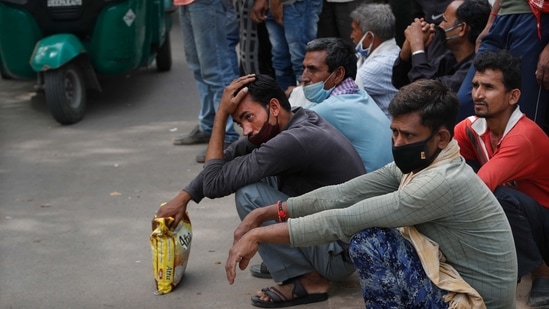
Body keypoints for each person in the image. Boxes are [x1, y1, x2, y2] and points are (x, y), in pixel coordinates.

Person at [226, 79, 518, 308]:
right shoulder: (422, 163)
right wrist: (270, 211)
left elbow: (344, 220)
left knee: (370, 240)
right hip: (454, 279)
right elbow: (342, 194)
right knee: (372, 234)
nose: (398, 142)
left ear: (441, 138)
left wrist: (260, 234)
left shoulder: (440, 181)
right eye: (395, 132)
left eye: (408, 136)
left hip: (475, 301)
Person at [157, 74, 365, 306]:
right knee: (258, 178)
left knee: (249, 193)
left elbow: (214, 183)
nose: (246, 130)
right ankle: (295, 259)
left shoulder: (292, 141)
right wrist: (184, 196)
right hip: (338, 237)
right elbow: (229, 156)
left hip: (339, 254)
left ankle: (308, 279)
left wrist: (221, 116)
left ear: (274, 107)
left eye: (248, 117)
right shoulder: (294, 118)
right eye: (239, 123)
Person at [454, 49, 549, 308]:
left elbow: (479, 189)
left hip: (544, 220)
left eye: (488, 87)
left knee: (493, 196)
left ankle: (542, 271)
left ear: (513, 96)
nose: (477, 94)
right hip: (524, 218)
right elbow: (443, 164)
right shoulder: (470, 127)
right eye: (475, 85)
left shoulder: (523, 136)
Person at [300, 38, 393, 172]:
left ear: (338, 74)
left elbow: (284, 122)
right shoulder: (359, 95)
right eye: (304, 68)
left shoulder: (332, 108)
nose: (304, 77)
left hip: (371, 189)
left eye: (312, 69)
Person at [456, 0, 549, 133]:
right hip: (501, 18)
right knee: (466, 102)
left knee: (522, 115)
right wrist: (490, 22)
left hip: (537, 21)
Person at [172, 0, 241, 164]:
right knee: (198, 67)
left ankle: (227, 135)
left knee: (216, 69)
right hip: (186, 3)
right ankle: (209, 126)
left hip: (206, 3)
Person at [392, 0, 490, 93]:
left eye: (444, 21)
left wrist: (417, 47)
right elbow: (401, 82)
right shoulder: (449, 58)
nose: (439, 26)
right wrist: (408, 48)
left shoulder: (474, 69)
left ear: (462, 28)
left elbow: (425, 92)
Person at [250, 0, 323, 92]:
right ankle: (286, 102)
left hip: (297, 4)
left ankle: (305, 101)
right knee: (281, 61)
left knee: (302, 61)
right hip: (275, 5)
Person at [350, 3, 400, 118]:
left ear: (369, 37)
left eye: (354, 31)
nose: (351, 36)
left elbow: (337, 90)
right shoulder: (384, 53)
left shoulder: (380, 65)